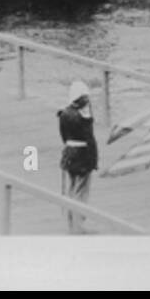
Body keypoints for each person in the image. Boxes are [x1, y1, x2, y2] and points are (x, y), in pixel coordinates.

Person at [58, 80, 99, 228]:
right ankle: (77, 222)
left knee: (72, 187)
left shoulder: (64, 114)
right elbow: (90, 138)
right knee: (81, 190)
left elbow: (64, 137)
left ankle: (71, 218)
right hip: (83, 156)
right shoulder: (84, 117)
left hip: (69, 154)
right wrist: (93, 161)